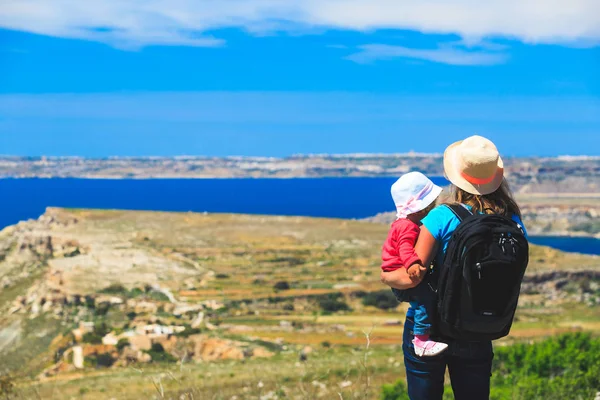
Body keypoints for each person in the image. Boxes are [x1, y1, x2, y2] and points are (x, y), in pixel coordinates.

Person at [380, 135, 527, 400]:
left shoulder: (442, 216)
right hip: (479, 322)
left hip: (431, 325)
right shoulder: (512, 220)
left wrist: (386, 277)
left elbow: (414, 276)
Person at [380, 171, 447, 356]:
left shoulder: (403, 223)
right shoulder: (408, 226)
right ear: (421, 208)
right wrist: (412, 264)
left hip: (395, 274)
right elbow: (404, 248)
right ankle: (421, 340)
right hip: (401, 273)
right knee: (424, 298)